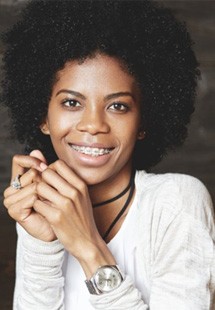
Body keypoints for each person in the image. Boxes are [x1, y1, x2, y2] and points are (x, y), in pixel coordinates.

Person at [1, 0, 215, 309]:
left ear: (143, 122)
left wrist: (88, 247)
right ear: (43, 117)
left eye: (118, 106)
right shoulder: (43, 210)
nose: (93, 125)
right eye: (72, 103)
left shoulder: (177, 202)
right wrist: (40, 242)